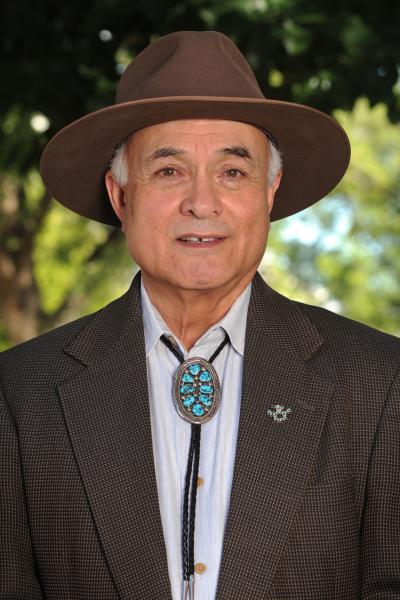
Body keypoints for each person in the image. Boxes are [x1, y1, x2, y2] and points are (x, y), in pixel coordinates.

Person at [0, 30, 399, 600]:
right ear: (120, 196)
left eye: (233, 172)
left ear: (270, 191)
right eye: (168, 170)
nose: (202, 202)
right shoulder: (18, 393)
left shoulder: (380, 381)